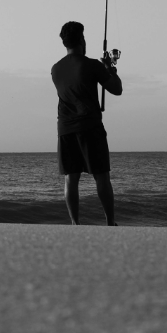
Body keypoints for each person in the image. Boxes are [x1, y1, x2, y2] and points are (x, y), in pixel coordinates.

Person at [51, 20, 122, 225]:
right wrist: (110, 69)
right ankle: (110, 222)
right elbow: (116, 89)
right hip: (90, 127)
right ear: (82, 39)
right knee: (101, 177)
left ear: (64, 42)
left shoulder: (55, 69)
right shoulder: (92, 65)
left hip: (65, 129)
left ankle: (75, 223)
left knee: (71, 179)